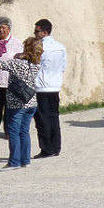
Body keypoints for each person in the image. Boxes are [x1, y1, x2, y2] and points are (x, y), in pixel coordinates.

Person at [0, 36, 41, 169]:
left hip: (16, 102)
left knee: (13, 131)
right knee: (24, 131)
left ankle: (14, 161)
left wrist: (17, 56)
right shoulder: (36, 64)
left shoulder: (17, 63)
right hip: (31, 101)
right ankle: (25, 160)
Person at [32, 18, 67, 158]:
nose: (35, 33)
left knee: (42, 120)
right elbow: (63, 67)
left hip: (41, 87)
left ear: (44, 32)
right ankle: (56, 147)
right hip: (55, 86)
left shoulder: (39, 47)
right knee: (54, 118)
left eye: (37, 31)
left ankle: (46, 148)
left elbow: (34, 66)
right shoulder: (61, 47)